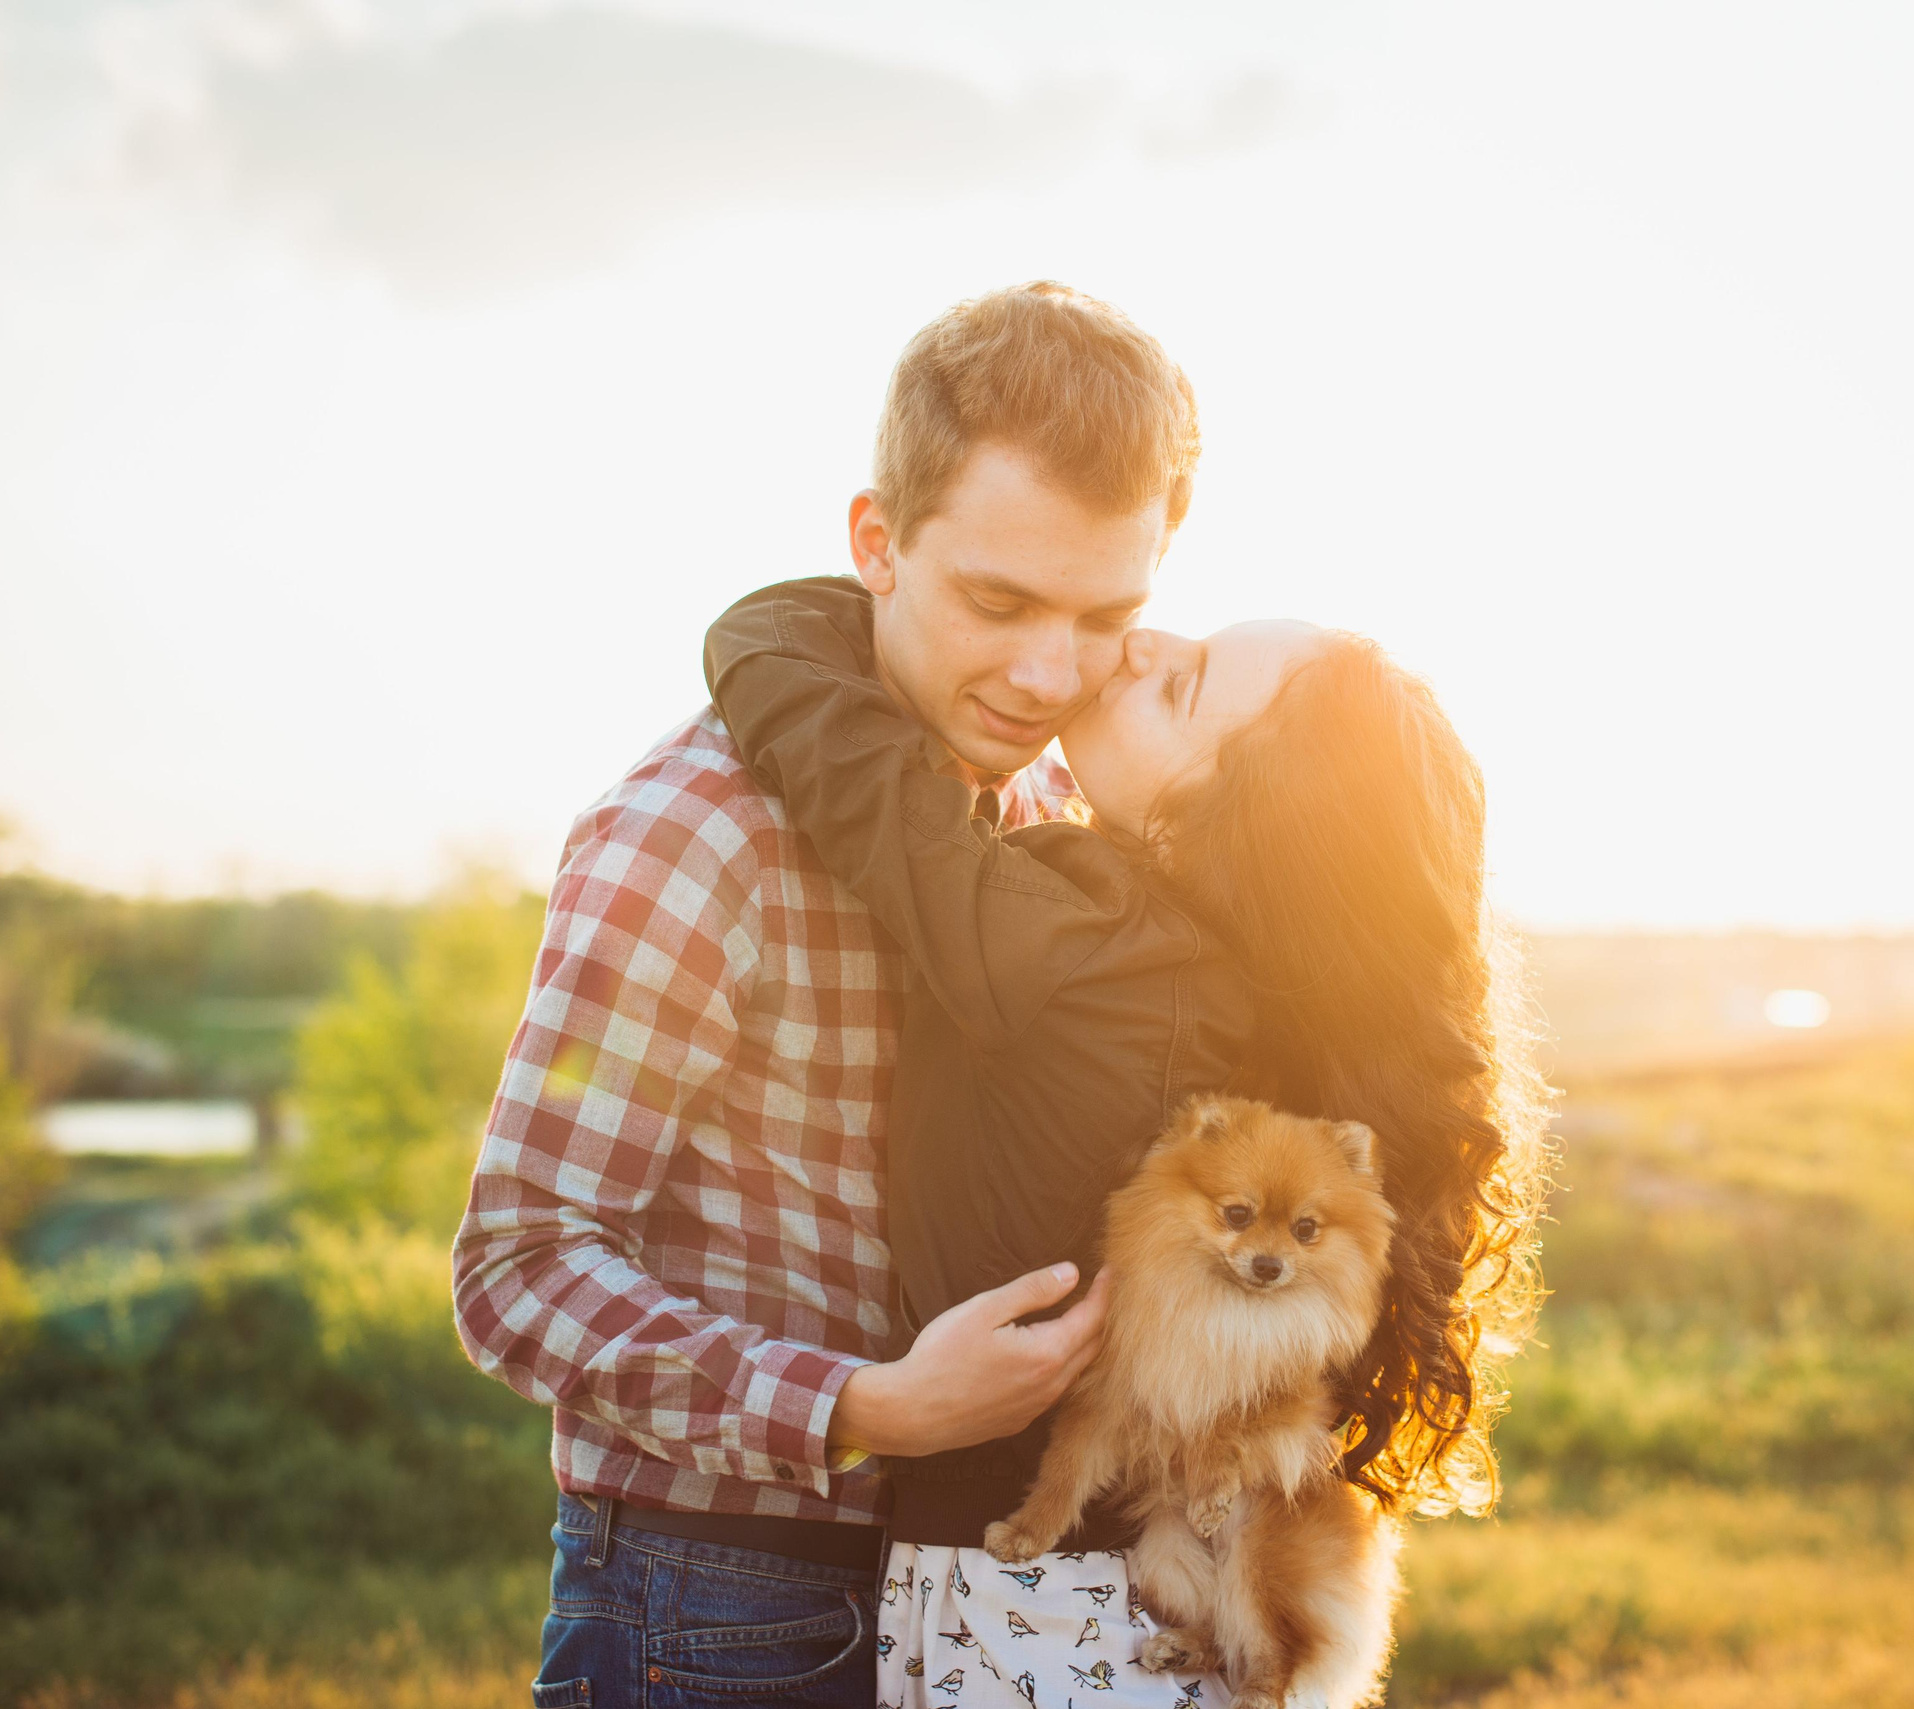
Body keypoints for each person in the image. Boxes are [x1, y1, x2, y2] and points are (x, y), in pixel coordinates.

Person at [451, 282, 1202, 1709]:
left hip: (982, 1595)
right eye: (998, 600)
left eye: (1105, 616)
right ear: (877, 541)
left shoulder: (1054, 798)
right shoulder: (693, 834)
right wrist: (864, 1407)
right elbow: (518, 1266)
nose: (1050, 672)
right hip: (714, 1596)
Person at [702, 576, 1548, 1707]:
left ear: (1212, 819)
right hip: (1110, 1622)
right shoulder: (1227, 985)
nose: (1141, 644)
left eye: (1182, 680)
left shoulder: (1092, 950)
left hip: (1049, 1626)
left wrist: (820, 605)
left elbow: (851, 771)